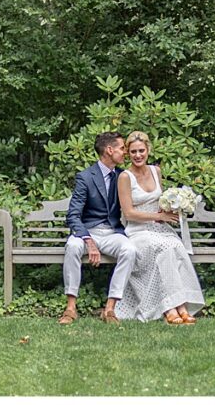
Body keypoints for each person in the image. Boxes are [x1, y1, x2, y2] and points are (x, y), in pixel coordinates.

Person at [115, 131, 204, 325]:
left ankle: (181, 306)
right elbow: (128, 213)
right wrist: (159, 216)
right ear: (128, 154)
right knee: (161, 248)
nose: (138, 155)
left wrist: (174, 206)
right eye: (133, 152)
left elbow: (160, 201)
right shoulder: (124, 177)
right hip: (137, 230)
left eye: (141, 151)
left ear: (148, 150)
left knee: (175, 246)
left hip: (159, 228)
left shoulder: (156, 171)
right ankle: (170, 308)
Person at [59, 132, 138, 325]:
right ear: (109, 150)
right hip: (88, 231)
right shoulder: (86, 177)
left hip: (112, 232)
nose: (125, 153)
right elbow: (73, 215)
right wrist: (88, 240)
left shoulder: (123, 176)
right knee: (72, 247)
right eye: (121, 148)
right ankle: (70, 308)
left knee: (129, 250)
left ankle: (110, 308)